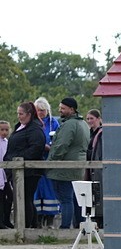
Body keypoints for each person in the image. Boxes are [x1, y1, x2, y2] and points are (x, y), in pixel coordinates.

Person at [46, 97, 89, 230]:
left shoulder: (70, 124)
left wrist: (51, 160)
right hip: (77, 166)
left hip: (64, 167)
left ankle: (65, 227)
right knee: (76, 199)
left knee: (65, 199)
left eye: (63, 108)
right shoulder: (83, 124)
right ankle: (79, 226)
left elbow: (61, 145)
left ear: (72, 109)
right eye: (60, 108)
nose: (60, 110)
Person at [4, 103, 47, 228]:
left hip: (29, 170)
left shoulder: (35, 129)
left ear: (29, 114)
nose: (19, 116)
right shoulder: (22, 127)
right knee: (23, 198)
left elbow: (36, 148)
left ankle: (27, 226)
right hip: (17, 168)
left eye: (21, 114)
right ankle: (30, 225)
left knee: (26, 198)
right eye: (18, 113)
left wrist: (19, 158)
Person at [32, 96, 60, 227]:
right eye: (38, 110)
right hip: (36, 160)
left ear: (47, 110)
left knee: (49, 190)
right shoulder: (32, 123)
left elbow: (58, 140)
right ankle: (37, 217)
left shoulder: (53, 123)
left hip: (49, 160)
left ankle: (50, 219)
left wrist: (50, 146)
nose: (40, 113)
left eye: (42, 110)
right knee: (37, 189)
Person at [85, 109, 104, 227]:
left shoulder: (100, 134)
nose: (89, 121)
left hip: (97, 170)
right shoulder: (91, 134)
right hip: (92, 169)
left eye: (92, 118)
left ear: (99, 119)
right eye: (88, 119)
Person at [0, 120, 10, 228]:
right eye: (2, 130)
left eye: (6, 130)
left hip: (5, 174)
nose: (4, 132)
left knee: (9, 197)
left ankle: (6, 220)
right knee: (2, 198)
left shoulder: (6, 142)